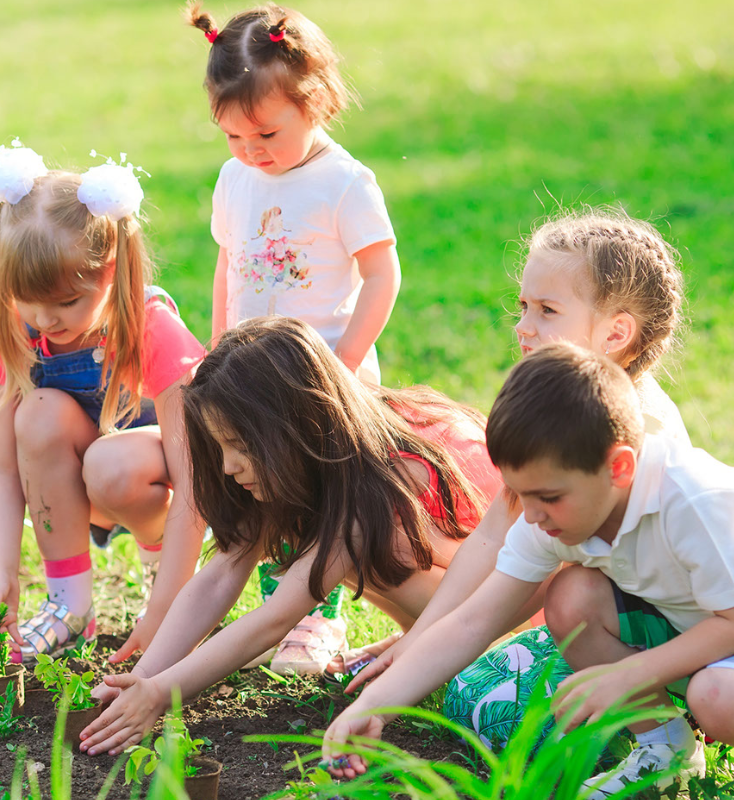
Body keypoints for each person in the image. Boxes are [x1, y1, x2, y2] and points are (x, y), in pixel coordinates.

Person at [325, 343, 734, 800]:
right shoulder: (554, 513)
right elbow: (474, 622)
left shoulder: (698, 500)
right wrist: (375, 706)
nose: (530, 516)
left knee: (719, 695)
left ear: (620, 467)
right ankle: (665, 747)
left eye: (548, 497)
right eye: (521, 495)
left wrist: (623, 676)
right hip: (697, 631)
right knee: (570, 597)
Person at [78, 316, 504, 756]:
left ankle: (431, 647)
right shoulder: (303, 468)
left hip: (496, 618)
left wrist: (162, 694)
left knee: (367, 540)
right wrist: (143, 680)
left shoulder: (372, 479)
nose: (227, 466)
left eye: (239, 446)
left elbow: (277, 618)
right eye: (220, 446)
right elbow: (221, 572)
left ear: (293, 428)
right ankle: (416, 637)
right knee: (349, 542)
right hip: (450, 597)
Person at [346, 210, 690, 752]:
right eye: (523, 306)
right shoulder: (560, 403)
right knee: (467, 696)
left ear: (615, 333)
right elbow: (490, 537)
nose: (523, 326)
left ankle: (660, 725)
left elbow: (522, 584)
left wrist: (424, 649)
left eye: (547, 310)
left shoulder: (634, 430)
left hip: (659, 637)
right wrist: (421, 640)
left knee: (507, 720)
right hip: (593, 624)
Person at [187, 0, 403, 674]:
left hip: (322, 372)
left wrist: (345, 364)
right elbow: (230, 263)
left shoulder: (344, 183)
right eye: (233, 138)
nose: (251, 153)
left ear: (318, 101)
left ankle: (320, 618)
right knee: (263, 488)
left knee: (319, 493)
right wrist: (220, 349)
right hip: (255, 375)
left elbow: (382, 276)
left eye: (266, 136)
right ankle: (276, 606)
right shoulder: (236, 179)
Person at [0, 141, 206, 665]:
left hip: (157, 482)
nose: (43, 319)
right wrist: (2, 572)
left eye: (65, 302)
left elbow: (196, 476)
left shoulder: (153, 329)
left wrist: (167, 609)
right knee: (36, 413)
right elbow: (5, 470)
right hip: (72, 483)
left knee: (111, 462)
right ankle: (69, 608)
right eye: (26, 299)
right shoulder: (11, 330)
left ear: (111, 269)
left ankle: (163, 571)